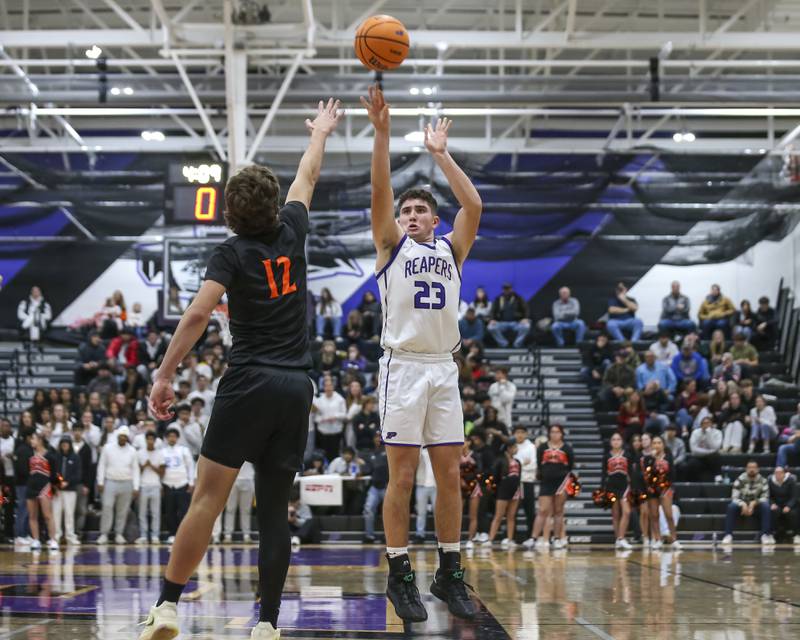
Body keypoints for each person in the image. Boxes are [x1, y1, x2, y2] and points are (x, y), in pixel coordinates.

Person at [139, 97, 342, 640]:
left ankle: (167, 607)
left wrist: (164, 374)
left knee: (208, 498)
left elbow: (200, 313)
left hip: (249, 380)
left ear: (230, 212)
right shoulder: (293, 227)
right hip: (296, 387)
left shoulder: (229, 253)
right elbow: (308, 172)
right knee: (275, 512)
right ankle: (268, 624)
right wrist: (319, 130)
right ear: (274, 207)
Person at [361, 84, 481, 621]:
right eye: (406, 210)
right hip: (403, 367)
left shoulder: (453, 250)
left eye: (419, 210)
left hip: (443, 369)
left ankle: (450, 571)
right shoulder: (391, 247)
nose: (409, 214)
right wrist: (383, 133)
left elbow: (474, 205)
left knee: (450, 476)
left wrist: (440, 154)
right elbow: (379, 191)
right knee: (402, 479)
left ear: (434, 220)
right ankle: (399, 573)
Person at [531, 424, 574, 550]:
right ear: (549, 433)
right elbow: (539, 463)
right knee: (543, 510)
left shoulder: (567, 448)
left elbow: (570, 465)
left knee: (558, 511)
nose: (555, 434)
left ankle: (556, 539)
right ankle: (533, 538)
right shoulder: (543, 448)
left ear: (562, 434)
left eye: (557, 432)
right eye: (552, 432)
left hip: (561, 483)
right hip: (546, 482)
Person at [96, 426, 140, 545]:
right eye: (121, 436)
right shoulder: (107, 448)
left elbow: (135, 469)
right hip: (110, 481)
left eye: (125, 437)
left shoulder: (132, 450)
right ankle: (104, 534)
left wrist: (136, 487)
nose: (122, 438)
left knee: (123, 510)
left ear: (127, 438)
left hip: (127, 482)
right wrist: (100, 482)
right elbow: (102, 465)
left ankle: (118, 534)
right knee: (107, 507)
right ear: (117, 436)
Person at [722, 460, 773, 545]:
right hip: (742, 505)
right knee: (731, 506)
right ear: (746, 469)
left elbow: (765, 497)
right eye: (749, 467)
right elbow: (734, 497)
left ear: (758, 469)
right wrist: (742, 504)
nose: (752, 469)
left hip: (756, 506)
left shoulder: (763, 480)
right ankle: (728, 535)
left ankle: (765, 535)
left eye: (754, 467)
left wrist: (754, 503)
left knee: (766, 506)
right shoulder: (740, 479)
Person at [645, 436, 680, 550]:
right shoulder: (649, 459)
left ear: (663, 445)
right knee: (654, 515)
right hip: (652, 488)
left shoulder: (668, 457)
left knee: (669, 515)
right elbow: (647, 474)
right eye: (654, 443)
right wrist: (652, 459)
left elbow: (672, 473)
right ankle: (657, 539)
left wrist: (671, 487)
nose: (656, 445)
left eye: (659, 443)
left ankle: (674, 539)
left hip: (665, 488)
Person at [25, 433, 59, 551]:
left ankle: (53, 540)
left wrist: (55, 487)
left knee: (47, 515)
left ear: (40, 440)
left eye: (33, 438)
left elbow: (55, 475)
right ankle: (36, 540)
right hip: (31, 487)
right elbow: (26, 472)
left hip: (45, 487)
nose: (31, 441)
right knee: (32, 515)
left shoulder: (50, 456)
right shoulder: (29, 455)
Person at [485, 441, 522, 547]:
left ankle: (510, 539)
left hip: (515, 489)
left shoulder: (518, 461)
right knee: (499, 515)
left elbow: (519, 476)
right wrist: (495, 488)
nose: (516, 449)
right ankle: (490, 539)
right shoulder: (500, 460)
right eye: (514, 447)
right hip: (504, 489)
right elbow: (495, 476)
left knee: (511, 516)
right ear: (508, 448)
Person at [602, 432, 633, 550]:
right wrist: (602, 489)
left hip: (624, 486)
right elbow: (603, 474)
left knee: (626, 512)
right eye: (613, 439)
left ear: (622, 441)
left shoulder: (628, 455)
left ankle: (621, 538)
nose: (616, 441)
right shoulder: (607, 456)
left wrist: (633, 486)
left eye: (618, 439)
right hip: (611, 486)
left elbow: (631, 472)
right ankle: (618, 539)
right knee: (615, 514)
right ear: (610, 442)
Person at [52, 436, 82, 546]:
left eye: (66, 444)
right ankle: (56, 536)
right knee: (56, 514)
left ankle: (70, 536)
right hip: (57, 490)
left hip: (70, 489)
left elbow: (78, 475)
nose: (64, 446)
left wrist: (67, 482)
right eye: (62, 444)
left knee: (69, 514)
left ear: (70, 445)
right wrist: (59, 482)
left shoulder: (75, 457)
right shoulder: (56, 457)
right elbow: (54, 472)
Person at [136, 431, 165, 545]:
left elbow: (162, 472)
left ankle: (155, 536)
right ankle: (143, 535)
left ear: (155, 441)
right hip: (143, 485)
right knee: (142, 512)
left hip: (155, 486)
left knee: (155, 513)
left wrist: (151, 466)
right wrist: (144, 466)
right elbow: (137, 471)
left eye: (152, 439)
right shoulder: (140, 453)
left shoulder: (160, 453)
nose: (150, 441)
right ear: (145, 440)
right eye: (148, 439)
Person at [512, 426, 537, 549]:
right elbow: (511, 465)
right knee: (512, 512)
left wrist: (520, 466)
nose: (520, 435)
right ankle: (512, 537)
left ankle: (531, 536)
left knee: (530, 511)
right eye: (517, 432)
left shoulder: (531, 447)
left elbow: (533, 465)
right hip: (514, 482)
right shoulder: (511, 447)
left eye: (522, 432)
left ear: (526, 434)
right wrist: (523, 464)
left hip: (527, 482)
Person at [361, 433, 388, 544]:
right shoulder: (372, 453)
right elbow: (368, 469)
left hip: (387, 486)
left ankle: (388, 536)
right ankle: (369, 535)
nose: (377, 439)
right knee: (368, 509)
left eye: (379, 437)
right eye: (376, 437)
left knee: (388, 512)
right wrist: (361, 467)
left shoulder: (389, 451)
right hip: (375, 487)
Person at [313, 377, 347, 463]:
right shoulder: (319, 400)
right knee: (324, 454)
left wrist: (335, 416)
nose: (328, 388)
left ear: (333, 387)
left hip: (336, 432)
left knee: (334, 454)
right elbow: (316, 417)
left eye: (330, 386)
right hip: (323, 432)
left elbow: (344, 414)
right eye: (326, 386)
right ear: (324, 387)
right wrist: (323, 419)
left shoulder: (340, 399)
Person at [488, 283, 531, 348]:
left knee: (526, 326)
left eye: (508, 289)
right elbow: (493, 310)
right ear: (502, 290)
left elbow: (526, 309)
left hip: (516, 322)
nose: (507, 291)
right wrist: (492, 319)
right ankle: (503, 343)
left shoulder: (518, 298)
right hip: (501, 322)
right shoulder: (498, 298)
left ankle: (517, 344)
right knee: (490, 327)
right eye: (505, 289)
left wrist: (525, 318)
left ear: (511, 289)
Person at [224, 461, 255, 543]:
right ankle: (228, 535)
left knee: (246, 510)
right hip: (231, 478)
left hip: (248, 478)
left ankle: (246, 535)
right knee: (230, 509)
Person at [768, 466, 799, 543]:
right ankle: (771, 534)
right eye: (776, 473)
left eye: (780, 473)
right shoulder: (770, 481)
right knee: (773, 511)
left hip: (789, 504)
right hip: (776, 504)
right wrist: (772, 504)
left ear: (784, 473)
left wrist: (788, 506)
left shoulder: (791, 480)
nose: (778, 475)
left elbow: (794, 496)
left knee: (793, 513)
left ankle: (796, 535)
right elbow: (768, 496)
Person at [686, 417, 722, 482]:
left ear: (711, 424)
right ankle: (692, 481)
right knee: (691, 463)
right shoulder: (695, 432)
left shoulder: (718, 432)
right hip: (699, 457)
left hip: (711, 458)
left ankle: (718, 476)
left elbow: (716, 447)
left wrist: (708, 434)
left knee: (716, 456)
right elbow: (693, 450)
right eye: (703, 423)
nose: (706, 425)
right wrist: (709, 451)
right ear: (701, 425)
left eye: (708, 423)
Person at [413, 448, 436, 544]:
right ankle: (420, 534)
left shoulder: (436, 451)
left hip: (436, 485)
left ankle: (439, 535)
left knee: (437, 512)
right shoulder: (419, 452)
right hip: (421, 484)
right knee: (421, 512)